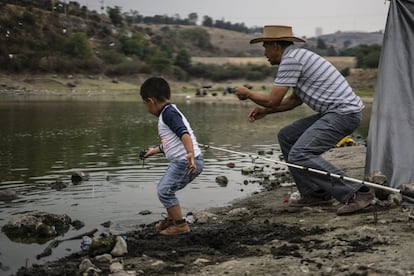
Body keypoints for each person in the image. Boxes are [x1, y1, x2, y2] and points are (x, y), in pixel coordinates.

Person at [234, 25, 373, 215]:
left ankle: (358, 193)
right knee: (287, 136)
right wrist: (266, 111)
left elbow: (274, 99)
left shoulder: (290, 60)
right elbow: (293, 101)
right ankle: (315, 194)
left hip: (343, 114)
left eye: (265, 47)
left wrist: (248, 93)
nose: (265, 53)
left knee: (300, 154)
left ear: (275, 45)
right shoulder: (298, 57)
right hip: (337, 113)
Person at [140, 77, 203, 235]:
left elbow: (184, 134)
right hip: (186, 160)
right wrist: (155, 150)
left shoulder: (168, 114)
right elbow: (173, 142)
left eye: (145, 104)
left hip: (186, 161)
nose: (146, 108)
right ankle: (170, 220)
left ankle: (180, 225)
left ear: (151, 101)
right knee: (167, 189)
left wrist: (190, 155)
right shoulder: (168, 112)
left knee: (164, 190)